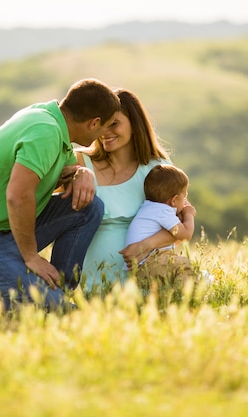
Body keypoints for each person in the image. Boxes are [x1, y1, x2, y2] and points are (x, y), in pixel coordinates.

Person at [0, 78, 121, 313]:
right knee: (52, 308)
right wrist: (31, 257)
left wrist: (82, 173)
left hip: (1, 229)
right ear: (94, 123)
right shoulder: (46, 132)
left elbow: (62, 176)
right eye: (107, 126)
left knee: (89, 208)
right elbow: (18, 195)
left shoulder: (50, 118)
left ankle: (56, 291)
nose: (105, 135)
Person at [74, 88, 177, 292]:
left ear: (135, 124)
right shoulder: (79, 161)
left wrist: (146, 245)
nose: (105, 132)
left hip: (145, 282)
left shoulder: (157, 168)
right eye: (102, 124)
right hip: (89, 284)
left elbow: (180, 227)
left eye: (114, 123)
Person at [124, 164, 197, 293]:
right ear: (174, 200)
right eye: (184, 197)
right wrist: (189, 214)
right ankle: (185, 296)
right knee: (183, 265)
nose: (185, 201)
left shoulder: (148, 208)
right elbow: (185, 235)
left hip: (143, 268)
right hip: (152, 262)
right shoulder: (163, 211)